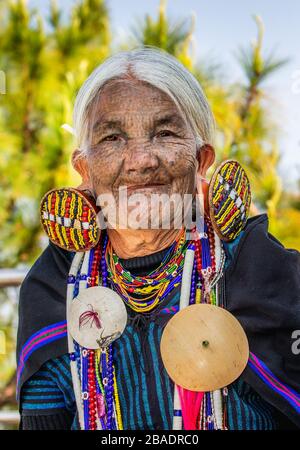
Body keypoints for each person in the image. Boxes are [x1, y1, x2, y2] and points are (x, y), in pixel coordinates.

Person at [16, 47, 300, 430]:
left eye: (165, 133)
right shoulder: (55, 284)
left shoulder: (262, 270)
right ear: (84, 169)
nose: (141, 160)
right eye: (113, 138)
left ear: (201, 160)